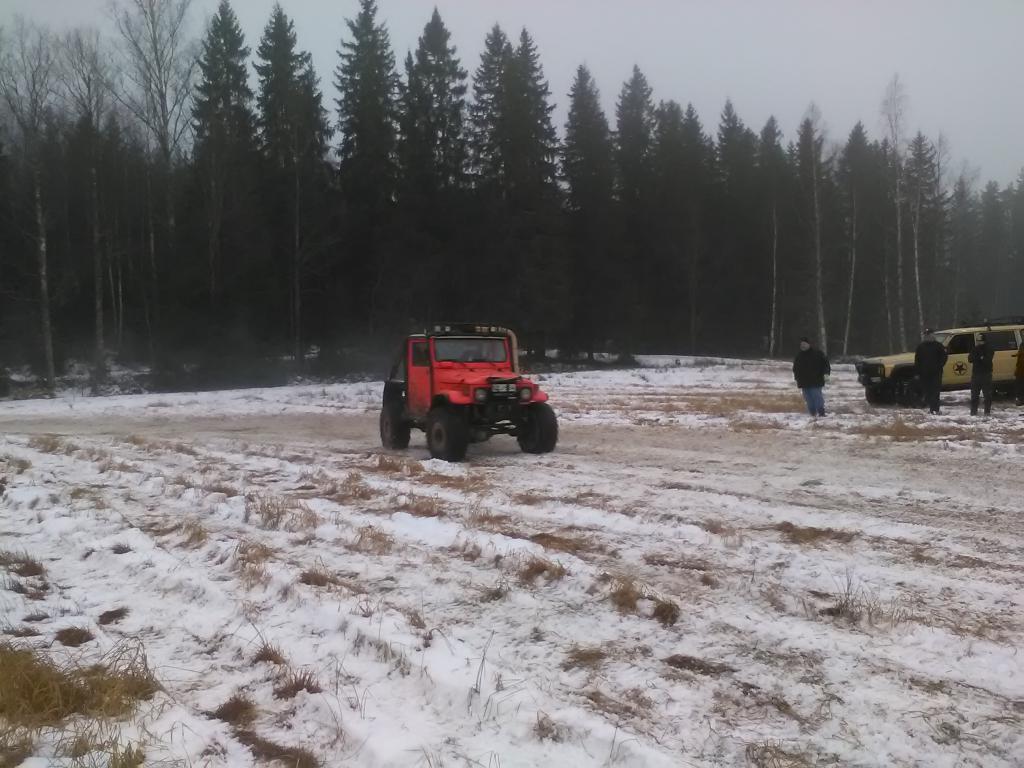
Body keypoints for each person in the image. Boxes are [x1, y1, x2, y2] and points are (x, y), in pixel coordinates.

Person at [793, 336, 831, 417]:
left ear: (809, 344)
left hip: (816, 381)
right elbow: (795, 368)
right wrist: (796, 377)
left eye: (804, 344)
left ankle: (821, 413)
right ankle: (812, 413)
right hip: (804, 382)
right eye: (801, 344)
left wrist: (826, 374)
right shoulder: (799, 356)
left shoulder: (818, 353)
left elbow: (826, 364)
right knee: (808, 399)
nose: (802, 346)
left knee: (817, 397)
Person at [914, 329, 948, 415]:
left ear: (933, 335)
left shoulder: (939, 346)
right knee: (928, 391)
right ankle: (931, 408)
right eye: (926, 335)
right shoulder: (921, 347)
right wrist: (918, 372)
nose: (928, 336)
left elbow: (944, 357)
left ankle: (935, 409)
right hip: (924, 373)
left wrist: (939, 366)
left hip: (936, 373)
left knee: (935, 391)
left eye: (929, 334)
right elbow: (917, 360)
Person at [968, 334, 995, 416]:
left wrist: (980, 357)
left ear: (984, 340)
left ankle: (987, 412)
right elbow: (970, 359)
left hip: (986, 374)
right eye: (978, 340)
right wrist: (980, 357)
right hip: (976, 374)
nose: (978, 342)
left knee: (987, 395)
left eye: (980, 340)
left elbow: (987, 360)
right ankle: (973, 412)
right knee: (974, 395)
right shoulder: (975, 349)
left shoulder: (989, 349)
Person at [1016, 339, 1024, 406]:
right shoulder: (1022, 344)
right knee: (1020, 385)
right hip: (1020, 369)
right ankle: (1021, 399)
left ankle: (1021, 399)